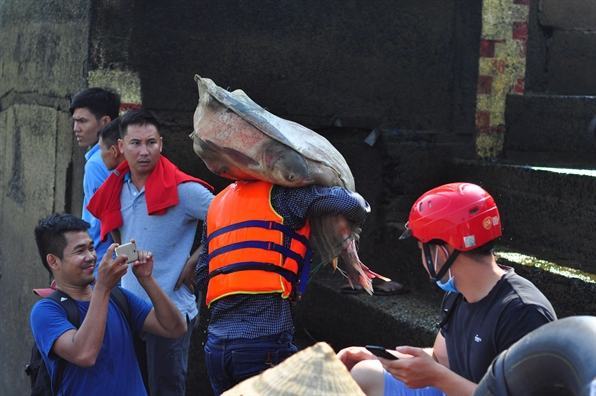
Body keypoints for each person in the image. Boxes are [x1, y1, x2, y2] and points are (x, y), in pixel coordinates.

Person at [337, 182, 557, 396]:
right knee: (363, 374)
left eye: (422, 249)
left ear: (441, 252)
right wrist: (380, 357)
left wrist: (437, 377)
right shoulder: (457, 293)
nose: (422, 259)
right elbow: (440, 359)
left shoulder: (523, 313)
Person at [195, 179, 372, 395]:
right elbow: (352, 206)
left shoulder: (217, 204)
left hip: (216, 347)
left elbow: (203, 274)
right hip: (263, 343)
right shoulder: (285, 196)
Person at [87, 108, 214, 395]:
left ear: (162, 144)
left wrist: (197, 259)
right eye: (135, 143)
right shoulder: (116, 188)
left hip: (170, 310)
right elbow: (117, 229)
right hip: (130, 308)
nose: (144, 151)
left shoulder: (184, 190)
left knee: (165, 390)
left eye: (151, 143)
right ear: (121, 147)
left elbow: (229, 220)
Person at [29, 213, 187, 395]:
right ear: (53, 261)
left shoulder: (118, 297)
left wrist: (147, 279)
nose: (91, 257)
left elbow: (175, 328)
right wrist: (102, 287)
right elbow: (84, 354)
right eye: (80, 251)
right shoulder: (46, 311)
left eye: (91, 248)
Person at [70, 88, 120, 265]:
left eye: (82, 121)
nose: (76, 128)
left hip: (100, 263)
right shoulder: (114, 157)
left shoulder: (97, 164)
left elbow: (108, 220)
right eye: (74, 121)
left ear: (105, 122)